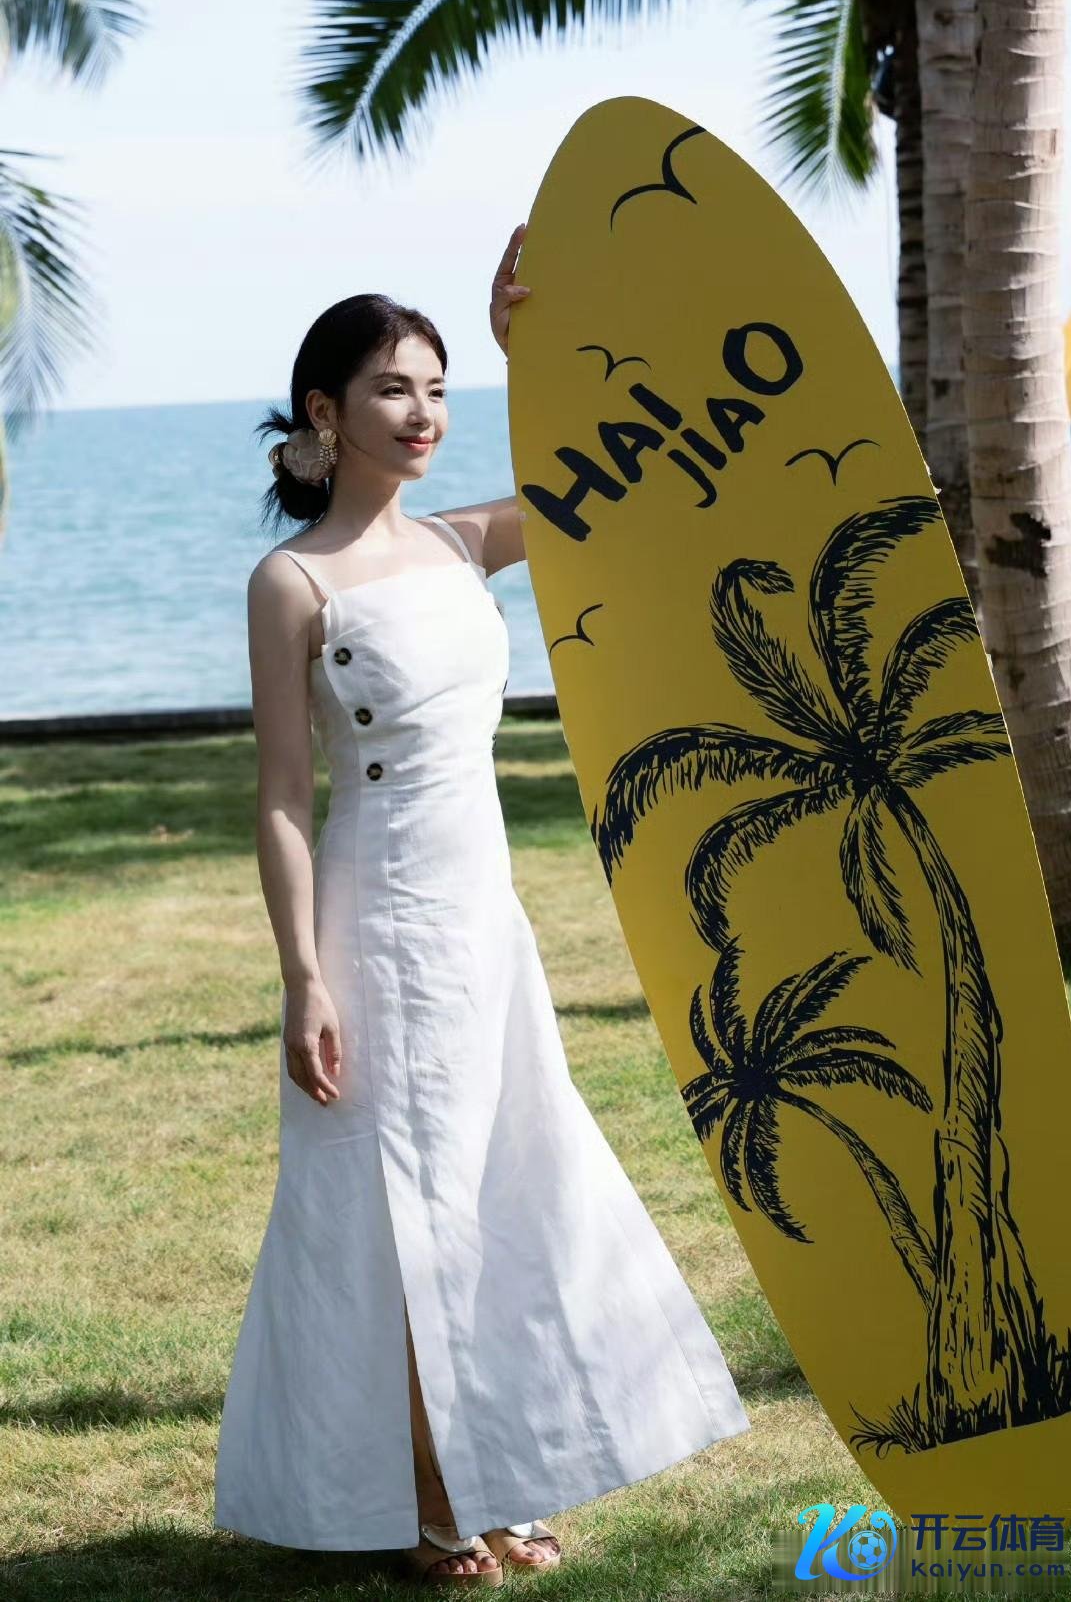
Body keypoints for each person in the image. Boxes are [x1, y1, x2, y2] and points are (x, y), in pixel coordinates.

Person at [213, 226, 750, 1587]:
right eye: (394, 387)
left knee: (501, 1187)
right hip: (376, 923)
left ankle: (492, 1477)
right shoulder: (294, 582)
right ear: (326, 410)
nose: (423, 413)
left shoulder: (463, 545)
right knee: (408, 1208)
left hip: (481, 920)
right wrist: (304, 977)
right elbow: (284, 797)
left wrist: (532, 355)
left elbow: (603, 483)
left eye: (440, 389)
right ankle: (435, 1501)